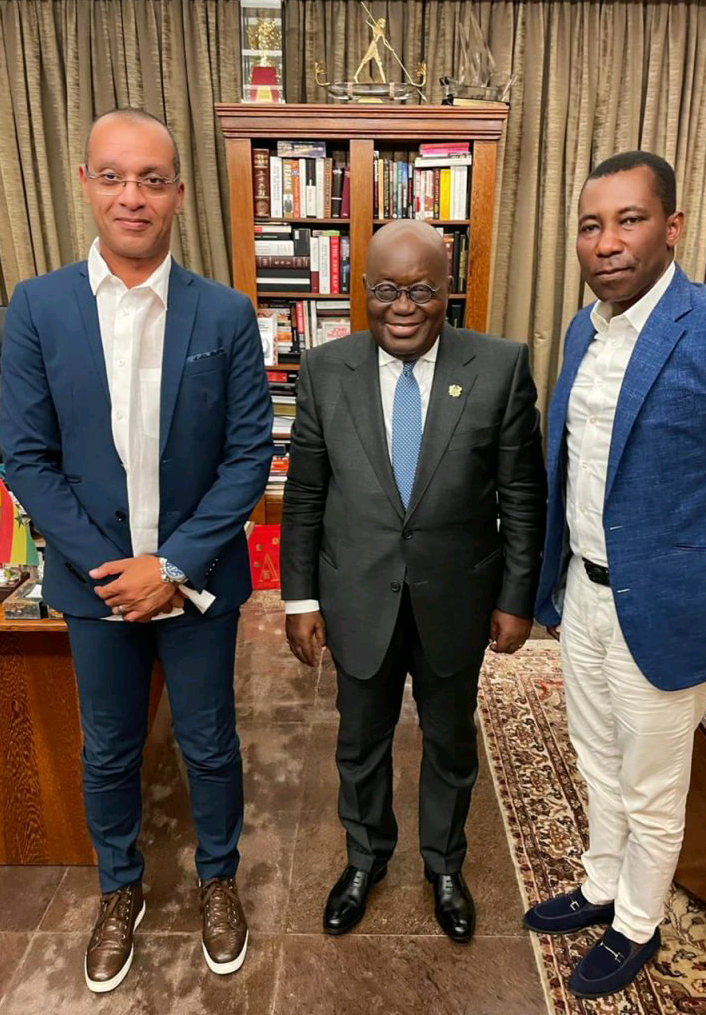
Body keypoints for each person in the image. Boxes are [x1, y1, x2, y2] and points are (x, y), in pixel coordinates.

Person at [0, 108, 273, 992]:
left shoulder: (224, 313)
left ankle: (219, 880)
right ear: (84, 183)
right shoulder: (39, 307)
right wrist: (113, 572)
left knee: (209, 743)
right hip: (96, 586)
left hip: (196, 582)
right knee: (109, 749)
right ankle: (120, 889)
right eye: (113, 176)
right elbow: (26, 455)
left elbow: (248, 456)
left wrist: (172, 566)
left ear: (178, 195)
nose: (132, 196)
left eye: (152, 179)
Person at [529, 150, 706, 999]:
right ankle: (601, 883)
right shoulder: (583, 329)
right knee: (594, 757)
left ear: (671, 227)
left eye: (629, 220)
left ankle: (636, 925)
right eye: (589, 225)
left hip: (671, 610)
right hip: (583, 593)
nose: (606, 242)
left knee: (650, 784)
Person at [280, 219, 547, 943]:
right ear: (362, 290)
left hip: (456, 598)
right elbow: (304, 496)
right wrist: (300, 598)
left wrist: (516, 597)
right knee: (359, 743)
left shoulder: (498, 366)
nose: (403, 307)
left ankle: (445, 867)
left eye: (422, 291)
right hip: (355, 597)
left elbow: (523, 496)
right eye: (387, 291)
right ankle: (364, 860)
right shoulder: (324, 369)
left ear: (447, 292)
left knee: (449, 743)